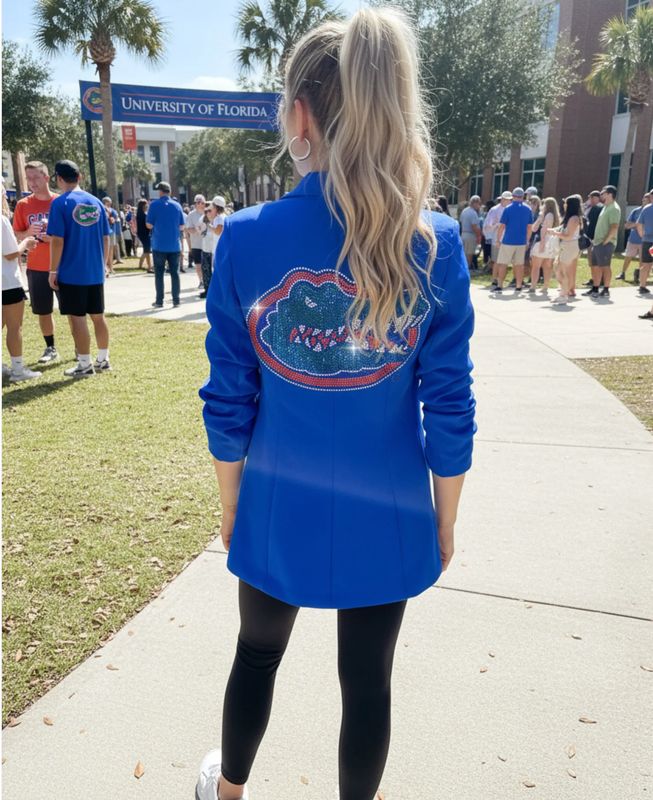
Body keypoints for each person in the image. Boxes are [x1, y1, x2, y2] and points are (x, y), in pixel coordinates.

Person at [196, 9, 476, 800]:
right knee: (368, 681)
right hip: (390, 507)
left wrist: (231, 502)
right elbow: (448, 403)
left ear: (299, 116)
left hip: (275, 500)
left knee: (256, 654)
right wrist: (444, 517)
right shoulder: (432, 242)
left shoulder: (244, 237)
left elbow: (229, 398)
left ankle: (227, 792)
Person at [47, 160, 111, 377]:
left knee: (77, 318)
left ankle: (84, 364)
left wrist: (53, 271)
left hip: (72, 272)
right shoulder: (97, 202)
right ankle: (103, 359)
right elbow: (106, 237)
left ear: (59, 179)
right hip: (94, 271)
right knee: (98, 316)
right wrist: (103, 264)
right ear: (79, 176)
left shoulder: (60, 203)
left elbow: (57, 240)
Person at [12, 160, 61, 364]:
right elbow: (15, 234)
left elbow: (74, 234)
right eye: (28, 178)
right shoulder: (23, 205)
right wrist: (27, 233)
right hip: (36, 267)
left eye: (36, 177)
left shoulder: (60, 201)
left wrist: (56, 239)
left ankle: (80, 348)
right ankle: (50, 347)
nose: (32, 182)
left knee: (73, 309)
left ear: (47, 178)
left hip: (62, 265)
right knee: (43, 310)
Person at [2, 186, 41, 383]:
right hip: (8, 281)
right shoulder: (2, 220)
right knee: (14, 326)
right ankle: (18, 369)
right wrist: (26, 242)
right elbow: (10, 253)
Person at [146, 181, 185, 308]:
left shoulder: (154, 205)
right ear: (170, 191)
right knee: (175, 273)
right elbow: (182, 226)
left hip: (159, 245)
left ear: (160, 192)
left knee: (159, 274)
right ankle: (176, 300)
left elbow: (149, 225)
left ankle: (159, 301)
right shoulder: (177, 206)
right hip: (174, 245)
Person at [492, 187, 532, 294]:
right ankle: (518, 286)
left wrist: (498, 240)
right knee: (519, 265)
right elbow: (529, 227)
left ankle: (500, 285)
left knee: (503, 264)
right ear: (523, 196)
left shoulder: (508, 208)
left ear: (513, 196)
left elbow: (502, 226)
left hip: (508, 241)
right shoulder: (528, 209)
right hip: (521, 242)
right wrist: (527, 240)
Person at [583, 185, 620, 301]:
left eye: (603, 193)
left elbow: (614, 227)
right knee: (595, 266)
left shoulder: (614, 208)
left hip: (605, 243)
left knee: (605, 266)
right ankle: (595, 288)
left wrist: (605, 241)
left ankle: (606, 289)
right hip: (597, 242)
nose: (601, 195)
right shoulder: (605, 207)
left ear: (609, 194)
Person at [550, 194, 582, 305]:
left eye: (566, 203)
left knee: (562, 272)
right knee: (559, 270)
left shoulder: (574, 218)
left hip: (570, 246)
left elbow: (568, 236)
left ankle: (564, 295)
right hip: (566, 246)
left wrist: (555, 233)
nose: (564, 205)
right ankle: (563, 293)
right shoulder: (570, 218)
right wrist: (555, 231)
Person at [529, 196, 559, 294]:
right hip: (551, 243)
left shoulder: (548, 215)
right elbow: (534, 228)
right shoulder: (554, 216)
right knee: (547, 266)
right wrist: (539, 219)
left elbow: (544, 230)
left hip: (544, 242)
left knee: (536, 266)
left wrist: (542, 243)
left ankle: (533, 286)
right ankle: (545, 286)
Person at [199, 196, 226, 299]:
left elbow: (218, 231)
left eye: (213, 206)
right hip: (218, 249)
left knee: (218, 273)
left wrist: (210, 226)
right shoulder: (221, 217)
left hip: (219, 249)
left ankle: (220, 295)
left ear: (216, 207)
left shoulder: (220, 218)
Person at [483, 191, 511, 286]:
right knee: (496, 260)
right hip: (497, 239)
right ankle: (494, 279)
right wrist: (497, 225)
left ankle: (500, 279)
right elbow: (488, 225)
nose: (508, 201)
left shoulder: (509, 209)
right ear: (502, 199)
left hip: (507, 238)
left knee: (504, 261)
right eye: (507, 199)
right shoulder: (494, 210)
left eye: (509, 200)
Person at [186, 195, 207, 289]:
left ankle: (207, 281)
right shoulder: (191, 215)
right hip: (196, 244)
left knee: (207, 264)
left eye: (202, 202)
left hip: (208, 244)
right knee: (198, 265)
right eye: (198, 202)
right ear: (195, 204)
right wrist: (197, 230)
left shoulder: (208, 212)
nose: (200, 204)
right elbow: (188, 229)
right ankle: (201, 281)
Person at [583, 190, 603, 286]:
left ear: (596, 198)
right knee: (591, 260)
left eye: (591, 198)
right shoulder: (592, 207)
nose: (589, 200)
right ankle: (594, 278)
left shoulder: (598, 208)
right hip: (591, 238)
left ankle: (598, 279)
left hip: (594, 238)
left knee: (595, 261)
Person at [635, 192, 653, 296]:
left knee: (646, 264)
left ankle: (642, 286)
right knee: (647, 265)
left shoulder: (646, 208)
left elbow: (639, 224)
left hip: (647, 241)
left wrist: (642, 236)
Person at [459, 195, 482, 270]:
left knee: (463, 253)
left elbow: (461, 222)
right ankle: (467, 269)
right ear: (475, 203)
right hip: (470, 235)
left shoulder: (464, 211)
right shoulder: (473, 213)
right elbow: (474, 226)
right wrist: (479, 236)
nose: (479, 206)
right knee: (469, 254)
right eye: (479, 204)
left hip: (463, 234)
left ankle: (462, 269)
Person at [102, 197, 119, 276]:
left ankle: (111, 268)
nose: (109, 203)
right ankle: (105, 267)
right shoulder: (101, 209)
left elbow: (115, 218)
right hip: (104, 232)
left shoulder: (113, 211)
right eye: (107, 202)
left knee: (111, 250)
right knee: (104, 250)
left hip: (111, 231)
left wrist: (112, 218)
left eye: (110, 202)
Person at [136, 199, 152, 272]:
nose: (147, 206)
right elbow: (147, 225)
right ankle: (148, 267)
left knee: (146, 250)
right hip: (145, 234)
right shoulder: (144, 215)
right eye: (146, 205)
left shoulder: (139, 214)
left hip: (141, 234)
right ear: (143, 206)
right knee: (147, 251)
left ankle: (144, 266)